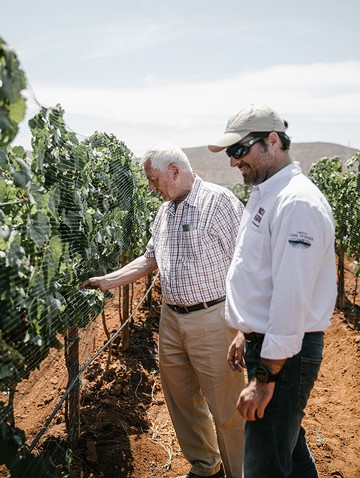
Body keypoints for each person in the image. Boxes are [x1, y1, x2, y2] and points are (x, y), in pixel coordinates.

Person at [82, 143, 245, 478]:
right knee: (182, 401)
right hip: (171, 319)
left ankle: (240, 471)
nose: (152, 188)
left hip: (213, 318)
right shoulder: (164, 212)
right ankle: (206, 464)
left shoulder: (219, 202)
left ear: (174, 170)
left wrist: (245, 327)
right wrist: (106, 281)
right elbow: (149, 259)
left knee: (227, 409)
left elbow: (248, 266)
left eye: (154, 179)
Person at [208, 104, 337, 478]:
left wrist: (265, 379)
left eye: (239, 150)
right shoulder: (267, 194)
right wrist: (244, 331)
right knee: (289, 453)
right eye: (231, 153)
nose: (233, 161)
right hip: (268, 345)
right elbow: (261, 277)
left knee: (264, 463)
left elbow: (290, 296)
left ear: (273, 141)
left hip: (286, 354)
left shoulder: (295, 202)